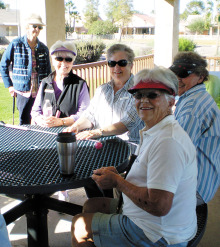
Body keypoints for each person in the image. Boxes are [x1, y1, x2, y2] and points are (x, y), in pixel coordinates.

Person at [71, 67, 198, 247]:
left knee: (79, 225)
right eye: (138, 96)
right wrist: (120, 177)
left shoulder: (168, 142)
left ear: (171, 102)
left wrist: (117, 182)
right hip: (155, 221)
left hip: (158, 234)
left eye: (152, 95)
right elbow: (151, 178)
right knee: (92, 205)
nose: (143, 101)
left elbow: (158, 206)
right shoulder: (155, 130)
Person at [64, 43, 144, 145]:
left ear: (131, 65)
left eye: (122, 63)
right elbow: (89, 116)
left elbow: (126, 124)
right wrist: (76, 126)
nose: (116, 67)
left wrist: (98, 132)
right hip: (102, 145)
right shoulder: (102, 90)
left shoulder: (140, 92)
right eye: (112, 63)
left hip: (129, 149)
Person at [170, 51, 220, 205]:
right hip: (207, 181)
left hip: (195, 189)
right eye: (175, 72)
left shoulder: (191, 108)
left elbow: (177, 155)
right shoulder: (193, 97)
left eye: (184, 73)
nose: (178, 78)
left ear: (201, 77)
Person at [0, 13, 51, 125]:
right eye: (34, 26)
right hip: (23, 92)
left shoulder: (43, 48)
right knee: (24, 122)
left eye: (40, 27)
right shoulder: (15, 44)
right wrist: (9, 86)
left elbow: (48, 71)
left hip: (39, 92)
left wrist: (49, 89)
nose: (37, 29)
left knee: (41, 122)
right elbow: (3, 65)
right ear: (27, 27)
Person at [31, 40, 90, 128]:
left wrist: (62, 121)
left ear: (72, 62)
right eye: (59, 59)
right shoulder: (45, 82)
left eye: (68, 59)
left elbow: (85, 113)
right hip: (45, 130)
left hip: (70, 132)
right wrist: (41, 120)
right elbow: (35, 111)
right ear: (53, 61)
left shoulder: (80, 85)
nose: (64, 63)